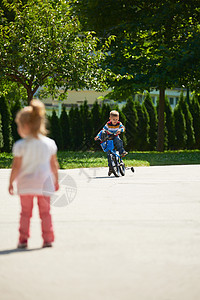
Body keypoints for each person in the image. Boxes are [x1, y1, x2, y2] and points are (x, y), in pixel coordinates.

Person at [8, 99, 59, 249]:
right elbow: (54, 165)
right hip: (44, 184)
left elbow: (16, 167)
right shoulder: (49, 143)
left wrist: (11, 182)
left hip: (25, 185)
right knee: (45, 213)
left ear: (26, 126)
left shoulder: (20, 146)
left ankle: (23, 240)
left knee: (25, 213)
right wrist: (56, 181)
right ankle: (48, 239)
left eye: (18, 125)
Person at [94, 110, 128, 175]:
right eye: (113, 119)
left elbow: (123, 128)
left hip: (115, 136)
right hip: (108, 137)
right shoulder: (108, 124)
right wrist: (98, 136)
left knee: (118, 141)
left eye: (116, 119)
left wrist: (120, 130)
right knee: (109, 153)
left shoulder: (119, 123)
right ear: (110, 119)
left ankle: (122, 151)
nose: (115, 121)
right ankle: (111, 168)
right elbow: (102, 131)